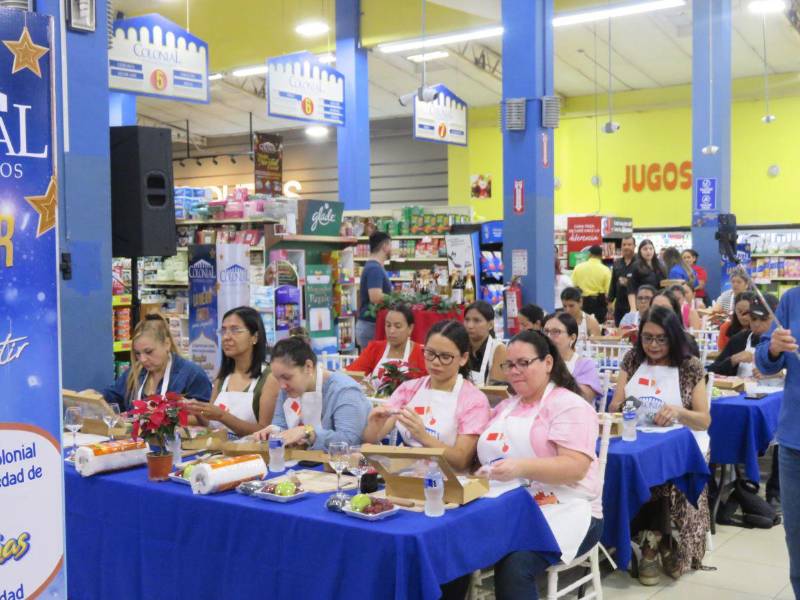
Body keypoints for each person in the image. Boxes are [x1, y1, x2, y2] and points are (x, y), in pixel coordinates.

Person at [477, 330, 603, 599]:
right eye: (509, 365)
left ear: (547, 363)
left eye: (524, 363)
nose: (514, 371)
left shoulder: (569, 406)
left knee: (514, 562)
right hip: (512, 504)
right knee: (453, 542)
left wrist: (520, 467)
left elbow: (575, 467)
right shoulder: (506, 407)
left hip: (569, 508)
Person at [609, 306, 711, 584]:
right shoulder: (632, 359)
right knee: (630, 465)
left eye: (661, 339)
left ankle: (651, 547)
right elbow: (615, 405)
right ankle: (659, 543)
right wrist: (627, 406)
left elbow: (703, 420)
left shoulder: (689, 367)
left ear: (674, 337)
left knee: (662, 473)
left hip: (683, 441)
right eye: (647, 338)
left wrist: (678, 412)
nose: (653, 345)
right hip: (637, 435)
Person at [362, 320, 491, 471]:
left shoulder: (473, 400)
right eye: (430, 353)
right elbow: (372, 439)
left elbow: (461, 460)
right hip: (407, 477)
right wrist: (374, 425)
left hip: (451, 484)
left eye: (445, 356)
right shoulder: (409, 389)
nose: (435, 362)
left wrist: (423, 437)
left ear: (463, 358)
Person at [756, 287, 800, 597]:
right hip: (794, 442)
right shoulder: (792, 300)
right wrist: (772, 348)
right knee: (797, 541)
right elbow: (765, 363)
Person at [253, 337, 371, 450]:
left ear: (308, 367)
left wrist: (308, 432)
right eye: (277, 378)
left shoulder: (344, 391)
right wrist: (273, 431)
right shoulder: (287, 390)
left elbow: (350, 441)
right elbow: (280, 423)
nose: (282, 385)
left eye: (287, 377)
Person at [184, 307, 275, 436]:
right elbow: (210, 423)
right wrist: (197, 410)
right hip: (220, 452)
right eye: (223, 331)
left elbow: (265, 431)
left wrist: (222, 415)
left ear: (254, 337)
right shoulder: (223, 377)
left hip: (253, 454)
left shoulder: (269, 378)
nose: (226, 337)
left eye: (235, 330)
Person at [103, 313, 212, 410]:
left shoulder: (192, 375)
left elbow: (206, 419)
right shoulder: (134, 373)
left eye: (149, 352)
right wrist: (95, 399)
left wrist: (166, 419)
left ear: (167, 344)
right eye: (137, 353)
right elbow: (111, 398)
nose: (142, 359)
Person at [346, 303, 427, 385]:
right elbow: (352, 373)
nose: (391, 331)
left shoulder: (422, 354)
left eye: (397, 326)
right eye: (388, 325)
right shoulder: (375, 348)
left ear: (410, 328)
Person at [709, 294, 777, 377]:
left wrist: (777, 372)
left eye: (764, 319)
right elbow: (711, 371)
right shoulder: (739, 340)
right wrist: (733, 360)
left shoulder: (789, 342)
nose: (757, 324)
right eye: (753, 318)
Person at [543, 312, 602, 404]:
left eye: (556, 332)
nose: (549, 337)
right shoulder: (538, 361)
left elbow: (584, 398)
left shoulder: (584, 365)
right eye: (546, 331)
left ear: (572, 338)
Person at [355, 231, 393, 351]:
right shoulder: (374, 269)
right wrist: (397, 298)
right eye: (391, 245)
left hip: (368, 325)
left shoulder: (373, 267)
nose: (392, 249)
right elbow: (375, 297)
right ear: (385, 246)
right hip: (370, 326)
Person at [464, 300, 507, 385]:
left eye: (476, 321)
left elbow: (496, 391)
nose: (470, 325)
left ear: (490, 325)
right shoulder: (460, 347)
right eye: (467, 320)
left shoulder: (499, 349)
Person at [570, 245, 611, 326]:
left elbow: (573, 286)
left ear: (589, 254)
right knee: (598, 326)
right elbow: (608, 291)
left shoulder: (578, 267)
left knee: (582, 324)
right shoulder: (605, 269)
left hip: (582, 302)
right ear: (601, 256)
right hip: (599, 302)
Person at [652, 289, 700, 358]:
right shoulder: (643, 341)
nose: (659, 313)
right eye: (655, 308)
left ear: (675, 312)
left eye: (665, 308)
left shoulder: (687, 343)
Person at [627, 239, 666, 310]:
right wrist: (633, 308)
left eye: (651, 248)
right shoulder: (635, 266)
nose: (648, 251)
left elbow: (664, 285)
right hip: (643, 303)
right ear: (640, 251)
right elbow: (631, 289)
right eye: (645, 249)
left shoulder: (660, 266)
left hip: (659, 303)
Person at [609, 235, 637, 326]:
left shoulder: (640, 263)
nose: (626, 247)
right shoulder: (617, 263)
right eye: (624, 245)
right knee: (619, 332)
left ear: (634, 246)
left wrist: (628, 282)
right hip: (619, 306)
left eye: (629, 244)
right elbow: (613, 283)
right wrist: (610, 301)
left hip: (635, 306)